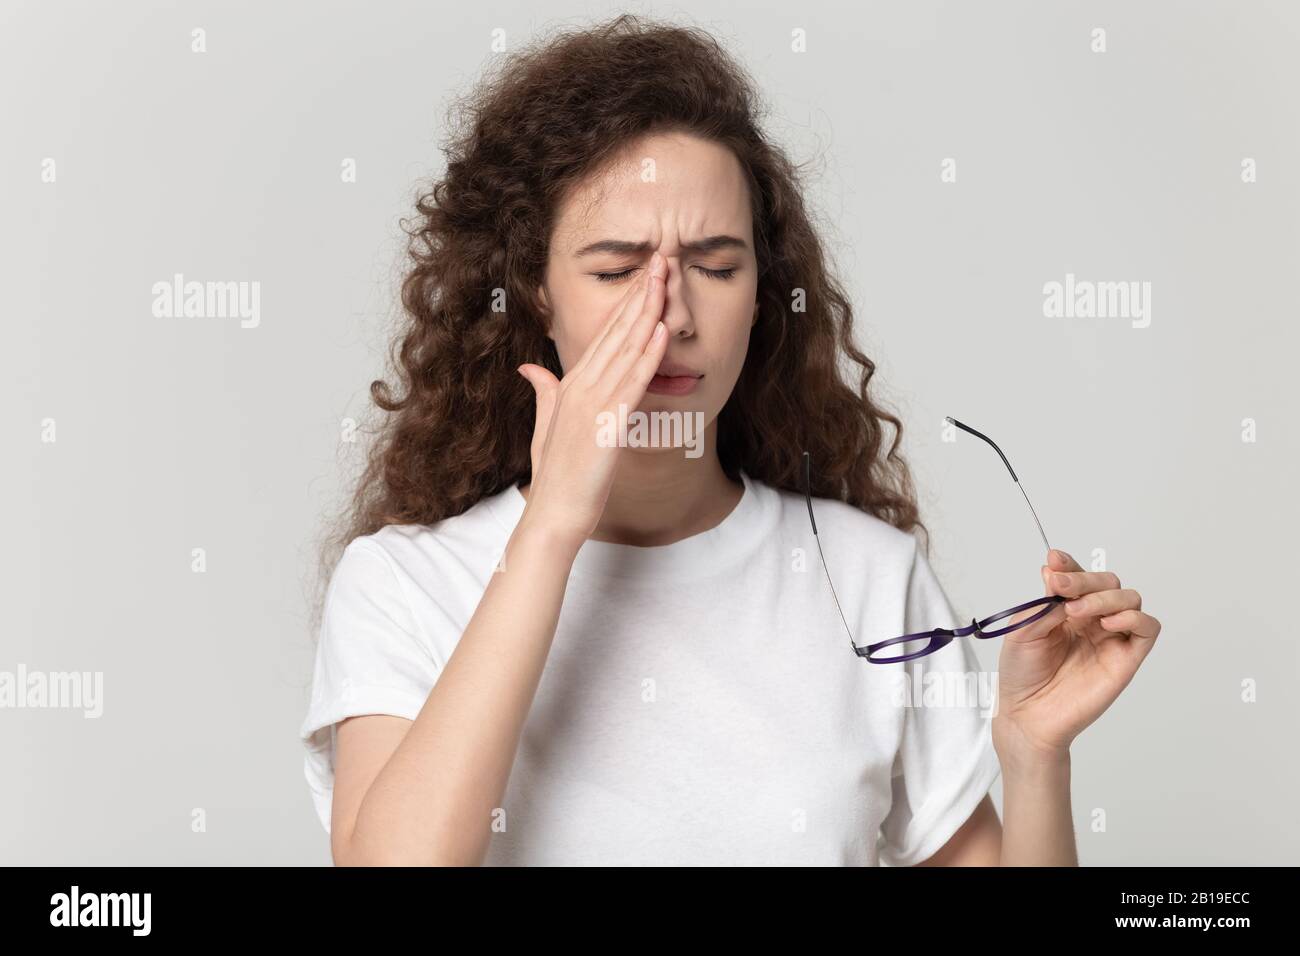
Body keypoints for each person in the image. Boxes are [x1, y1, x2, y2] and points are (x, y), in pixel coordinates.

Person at [300, 14, 1161, 866]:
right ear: (534, 294)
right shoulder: (404, 583)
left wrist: (1035, 759)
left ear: (761, 294)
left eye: (715, 267)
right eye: (614, 271)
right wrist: (553, 525)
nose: (670, 315)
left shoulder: (867, 578)